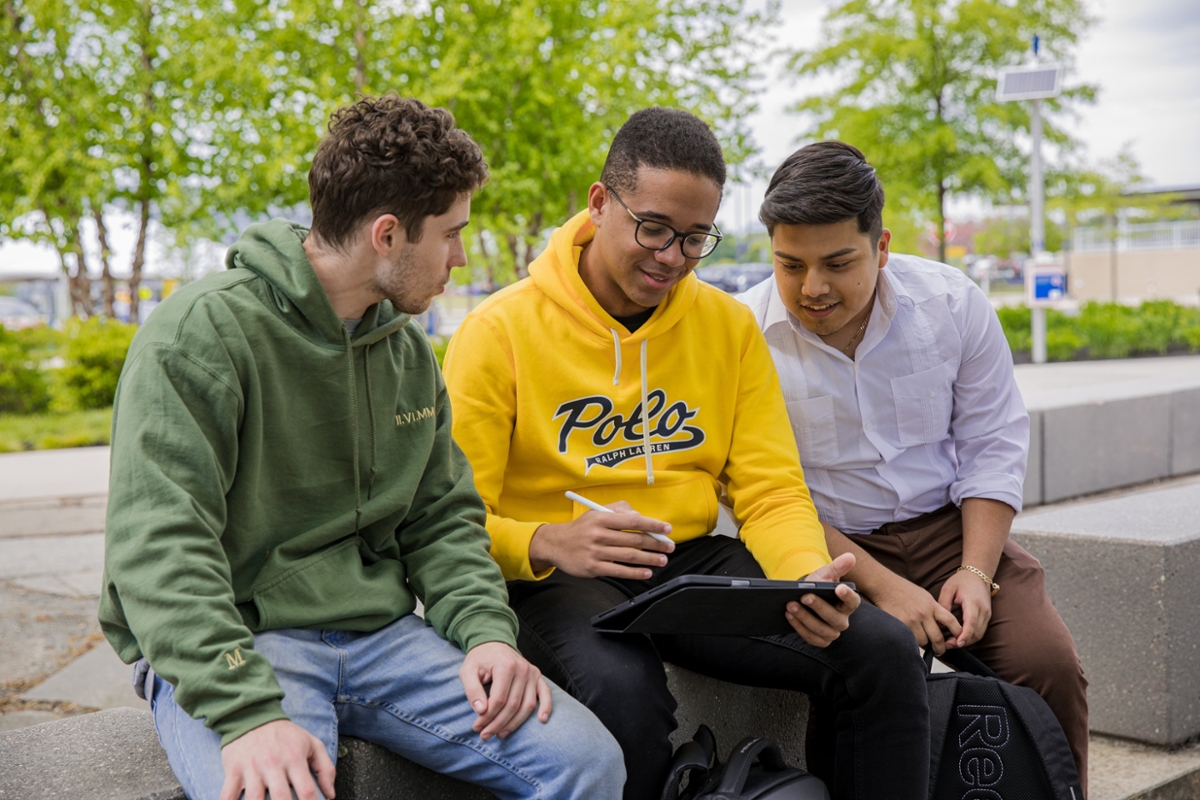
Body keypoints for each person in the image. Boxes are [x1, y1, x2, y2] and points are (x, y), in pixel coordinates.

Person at [99, 96, 624, 800]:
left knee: (589, 762)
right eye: (450, 234)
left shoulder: (405, 351)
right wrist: (246, 712)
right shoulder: (198, 335)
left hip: (383, 641)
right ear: (386, 234)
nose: (460, 258)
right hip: (240, 643)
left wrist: (486, 635)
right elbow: (161, 550)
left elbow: (440, 519)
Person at [441, 107, 930, 800]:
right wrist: (548, 541)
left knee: (878, 651)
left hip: (685, 559)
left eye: (695, 238)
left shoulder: (726, 327)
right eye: (654, 229)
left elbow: (769, 489)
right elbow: (450, 522)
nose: (671, 256)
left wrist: (807, 576)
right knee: (625, 696)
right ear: (599, 203)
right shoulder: (498, 332)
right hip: (554, 573)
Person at [737, 140, 1089, 791]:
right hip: (825, 544)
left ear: (883, 246)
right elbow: (765, 493)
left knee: (1048, 661)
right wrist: (881, 587)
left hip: (952, 529)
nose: (812, 288)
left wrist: (977, 571)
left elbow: (993, 443)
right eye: (791, 265)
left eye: (838, 263)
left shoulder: (951, 304)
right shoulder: (741, 335)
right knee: (864, 672)